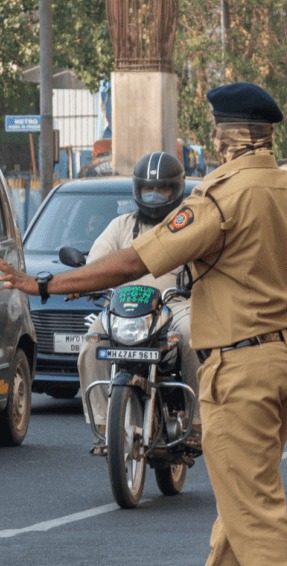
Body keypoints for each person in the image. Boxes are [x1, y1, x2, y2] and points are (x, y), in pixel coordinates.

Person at [0, 81, 287, 566]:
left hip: (240, 367)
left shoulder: (222, 198)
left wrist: (42, 287)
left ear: (229, 137)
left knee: (255, 513)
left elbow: (136, 261)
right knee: (239, 509)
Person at [76, 152, 195, 453]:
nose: (155, 197)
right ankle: (104, 427)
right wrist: (85, 280)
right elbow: (97, 264)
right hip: (124, 309)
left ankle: (198, 424)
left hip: (175, 305)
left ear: (177, 189)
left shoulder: (189, 224)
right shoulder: (120, 226)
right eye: (147, 190)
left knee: (196, 338)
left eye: (163, 189)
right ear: (137, 190)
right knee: (90, 344)